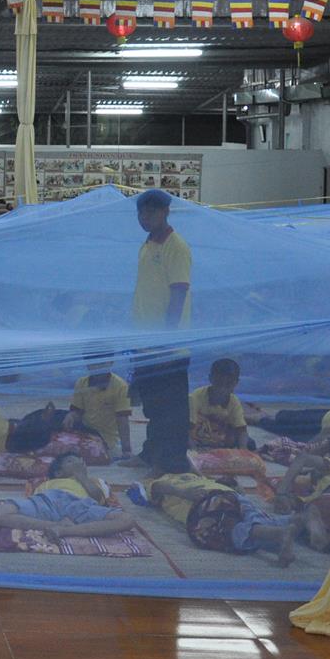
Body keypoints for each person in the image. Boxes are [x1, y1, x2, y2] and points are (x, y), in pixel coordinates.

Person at [129, 189, 192, 474]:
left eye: (151, 212)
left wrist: (167, 338)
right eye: (141, 213)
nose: (145, 218)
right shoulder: (147, 244)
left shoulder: (176, 246)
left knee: (172, 409)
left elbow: (178, 292)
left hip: (168, 345)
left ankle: (171, 462)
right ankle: (151, 454)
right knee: (153, 406)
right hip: (145, 341)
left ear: (166, 212)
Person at [148, 467, 298, 566]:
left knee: (225, 532)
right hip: (231, 495)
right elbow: (235, 486)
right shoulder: (199, 477)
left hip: (207, 503)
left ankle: (279, 533)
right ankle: (300, 521)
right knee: (258, 518)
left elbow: (157, 486)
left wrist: (183, 493)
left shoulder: (163, 480)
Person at [0, 454, 135, 538]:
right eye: (70, 462)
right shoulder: (48, 483)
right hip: (50, 501)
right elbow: (35, 500)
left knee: (127, 519)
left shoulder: (93, 481)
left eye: (79, 463)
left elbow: (98, 500)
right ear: (58, 472)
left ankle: (66, 531)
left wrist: (82, 476)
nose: (76, 464)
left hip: (81, 505)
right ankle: (54, 526)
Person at [190, 358, 249, 449]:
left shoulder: (234, 402)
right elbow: (187, 429)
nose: (222, 388)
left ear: (236, 382)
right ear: (211, 378)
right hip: (198, 440)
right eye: (219, 382)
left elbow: (241, 430)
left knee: (248, 443)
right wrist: (194, 452)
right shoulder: (195, 397)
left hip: (221, 443)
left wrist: (243, 451)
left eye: (228, 383)